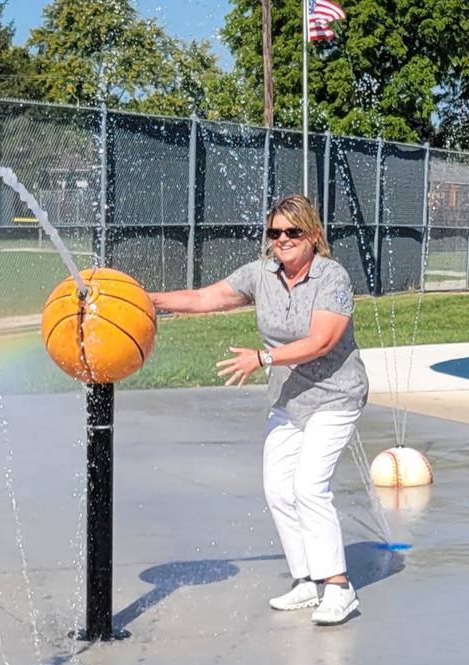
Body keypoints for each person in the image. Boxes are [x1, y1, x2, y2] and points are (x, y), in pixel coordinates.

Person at [148, 194, 368, 625]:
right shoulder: (261, 275)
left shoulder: (332, 277)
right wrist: (143, 298)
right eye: (274, 233)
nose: (282, 240)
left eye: (292, 232)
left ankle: (339, 587)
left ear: (313, 235)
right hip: (289, 399)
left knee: (308, 487)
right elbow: (202, 298)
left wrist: (262, 359)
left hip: (336, 396)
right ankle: (307, 581)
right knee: (278, 490)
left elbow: (322, 341)